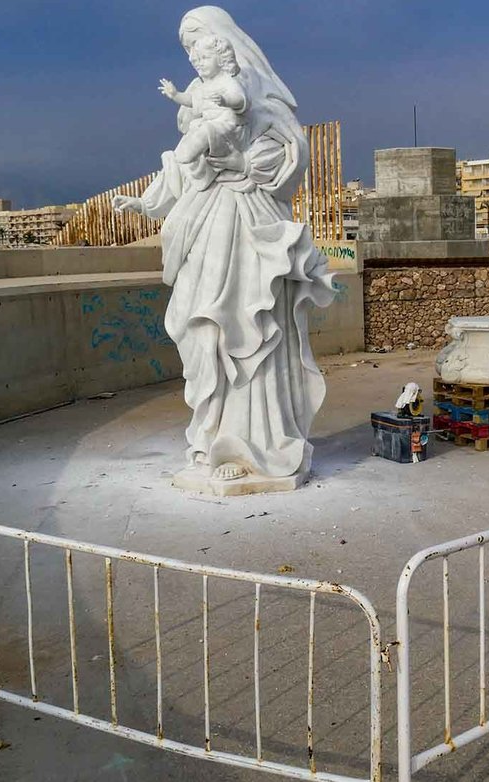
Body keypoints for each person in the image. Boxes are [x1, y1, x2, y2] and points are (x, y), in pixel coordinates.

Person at [113, 6, 334, 488]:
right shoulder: (201, 101)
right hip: (208, 222)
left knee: (249, 327)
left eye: (198, 45)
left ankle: (251, 445)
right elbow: (184, 167)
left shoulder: (255, 99)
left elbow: (287, 156)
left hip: (250, 223)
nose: (193, 57)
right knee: (206, 331)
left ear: (223, 45)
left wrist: (240, 162)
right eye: (187, 49)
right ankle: (213, 437)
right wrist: (147, 203)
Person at [161, 34, 248, 166]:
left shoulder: (227, 81)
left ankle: (184, 158)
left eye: (205, 58)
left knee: (205, 130)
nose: (200, 63)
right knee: (194, 127)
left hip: (227, 125)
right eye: (198, 60)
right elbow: (192, 100)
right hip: (209, 123)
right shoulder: (204, 85)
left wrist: (225, 100)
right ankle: (178, 160)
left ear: (221, 59)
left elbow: (240, 99)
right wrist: (175, 95)